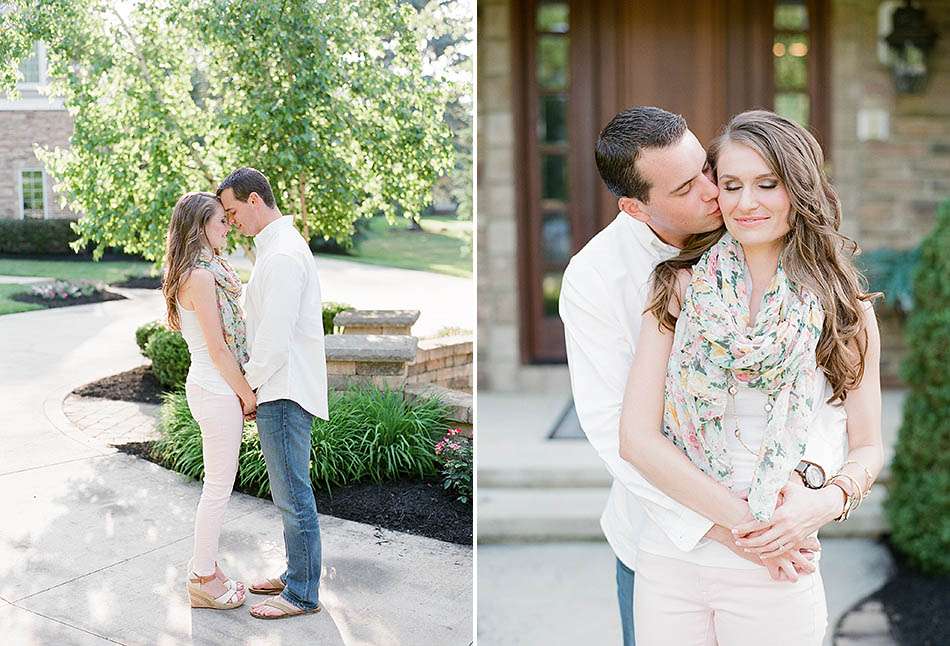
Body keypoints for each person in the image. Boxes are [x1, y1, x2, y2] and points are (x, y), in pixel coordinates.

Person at [559, 106, 826, 646]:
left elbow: (822, 386)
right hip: (663, 543)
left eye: (706, 168)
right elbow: (620, 435)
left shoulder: (757, 228)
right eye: (686, 187)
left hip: (776, 531)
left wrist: (811, 485)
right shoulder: (595, 280)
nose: (714, 191)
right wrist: (738, 529)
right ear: (636, 207)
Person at [618, 110, 883, 645]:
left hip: (780, 566)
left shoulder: (844, 307)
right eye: (731, 185)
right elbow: (636, 439)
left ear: (799, 190)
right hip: (675, 556)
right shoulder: (676, 288)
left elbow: (868, 446)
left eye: (767, 184)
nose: (745, 202)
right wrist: (753, 527)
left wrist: (820, 504)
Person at [217, 167, 329, 620]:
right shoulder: (277, 248)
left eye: (232, 211)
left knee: (293, 495)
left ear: (254, 201)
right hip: (281, 388)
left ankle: (302, 593)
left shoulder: (282, 254)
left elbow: (274, 339)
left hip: (282, 390)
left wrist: (248, 387)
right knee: (289, 493)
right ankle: (294, 573)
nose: (230, 221)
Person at [162, 191, 254, 610]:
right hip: (216, 389)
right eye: (220, 220)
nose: (227, 226)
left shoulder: (201, 269)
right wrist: (247, 394)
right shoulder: (198, 276)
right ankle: (201, 578)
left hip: (209, 386)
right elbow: (218, 350)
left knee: (217, 486)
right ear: (200, 226)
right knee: (218, 489)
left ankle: (207, 568)